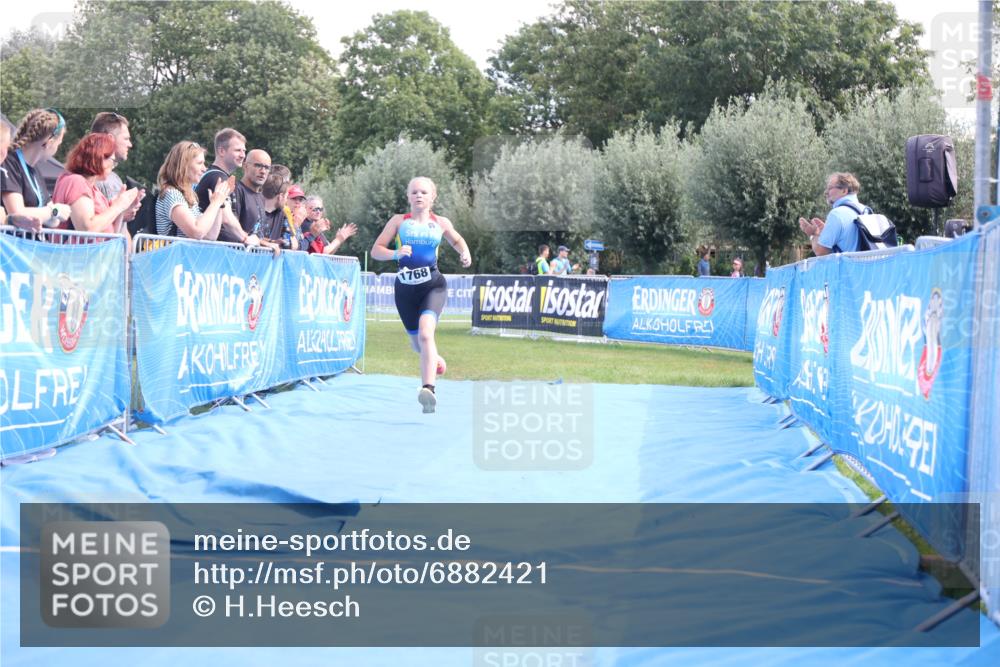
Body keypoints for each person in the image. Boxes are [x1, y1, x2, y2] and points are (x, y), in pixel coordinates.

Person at [371, 176, 472, 413]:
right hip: (405, 290)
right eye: (414, 192)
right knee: (418, 344)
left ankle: (428, 390)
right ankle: (434, 359)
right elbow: (376, 251)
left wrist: (464, 253)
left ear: (432, 197)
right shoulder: (398, 222)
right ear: (408, 196)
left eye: (424, 192)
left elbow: (456, 240)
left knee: (427, 335)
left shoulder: (441, 222)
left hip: (432, 286)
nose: (419, 196)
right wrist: (395, 254)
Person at [52, 133, 140, 235]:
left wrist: (122, 209)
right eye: (112, 160)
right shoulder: (76, 182)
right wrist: (118, 206)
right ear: (99, 158)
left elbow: (110, 233)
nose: (113, 166)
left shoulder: (93, 189)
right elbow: (87, 228)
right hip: (78, 251)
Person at [1, 108, 71, 227]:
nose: (57, 148)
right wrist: (53, 211)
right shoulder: (9, 162)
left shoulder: (35, 170)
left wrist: (52, 213)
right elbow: (17, 213)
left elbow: (54, 222)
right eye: (59, 144)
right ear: (49, 143)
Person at [154, 140, 233, 240]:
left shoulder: (188, 196)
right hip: (175, 255)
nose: (204, 169)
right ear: (183, 165)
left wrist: (219, 204)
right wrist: (215, 203)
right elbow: (197, 232)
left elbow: (210, 236)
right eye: (200, 163)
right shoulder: (172, 194)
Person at [196, 128, 246, 243]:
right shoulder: (218, 178)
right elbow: (226, 218)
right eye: (238, 150)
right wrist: (245, 238)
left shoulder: (213, 175)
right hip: (214, 250)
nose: (243, 155)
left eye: (244, 151)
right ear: (222, 151)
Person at [798, 172, 865, 256]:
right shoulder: (866, 210)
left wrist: (814, 234)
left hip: (848, 268)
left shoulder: (837, 214)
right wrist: (823, 233)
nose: (826, 192)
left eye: (830, 188)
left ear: (844, 190)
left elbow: (821, 251)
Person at [231, 148, 278, 253]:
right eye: (258, 165)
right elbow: (231, 230)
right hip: (236, 257)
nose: (263, 171)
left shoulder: (261, 197)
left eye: (266, 167)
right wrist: (264, 244)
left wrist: (271, 242)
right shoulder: (236, 190)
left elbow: (256, 233)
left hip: (255, 261)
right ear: (245, 166)